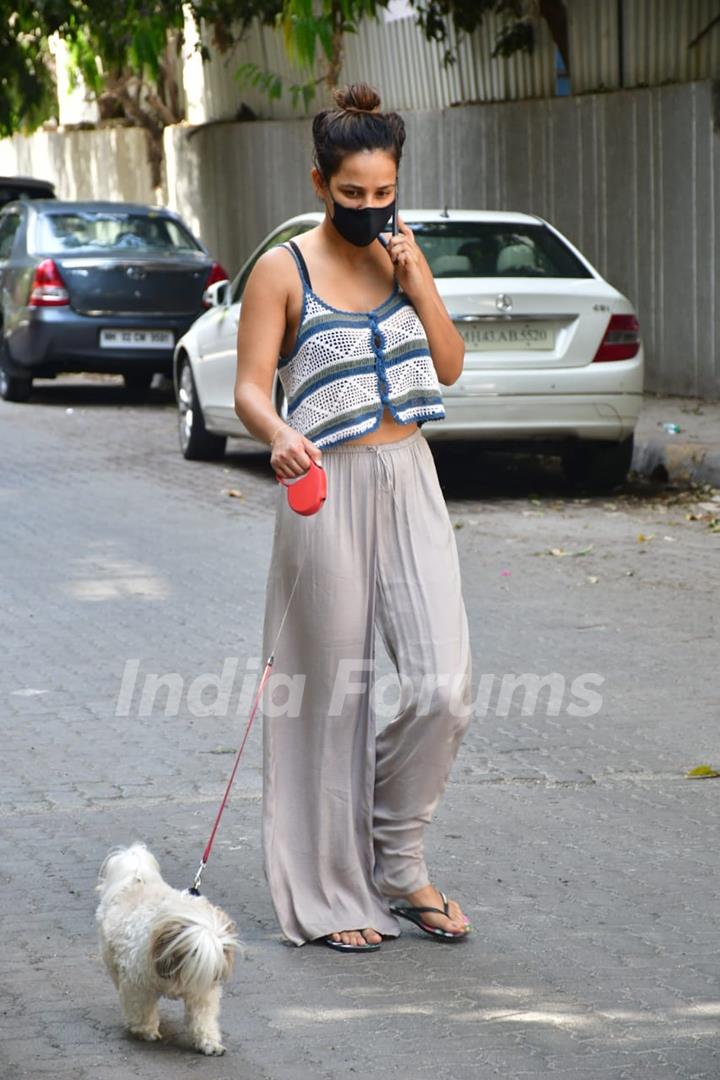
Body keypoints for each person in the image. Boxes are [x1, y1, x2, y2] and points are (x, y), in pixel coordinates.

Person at [234, 82, 474, 952]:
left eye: (385, 193)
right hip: (324, 483)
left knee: (444, 686)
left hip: (412, 477)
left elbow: (447, 366)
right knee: (327, 700)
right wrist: (279, 433)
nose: (372, 210)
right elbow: (251, 389)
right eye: (353, 195)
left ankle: (398, 860)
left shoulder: (402, 256)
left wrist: (418, 280)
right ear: (319, 181)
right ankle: (332, 893)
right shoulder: (281, 270)